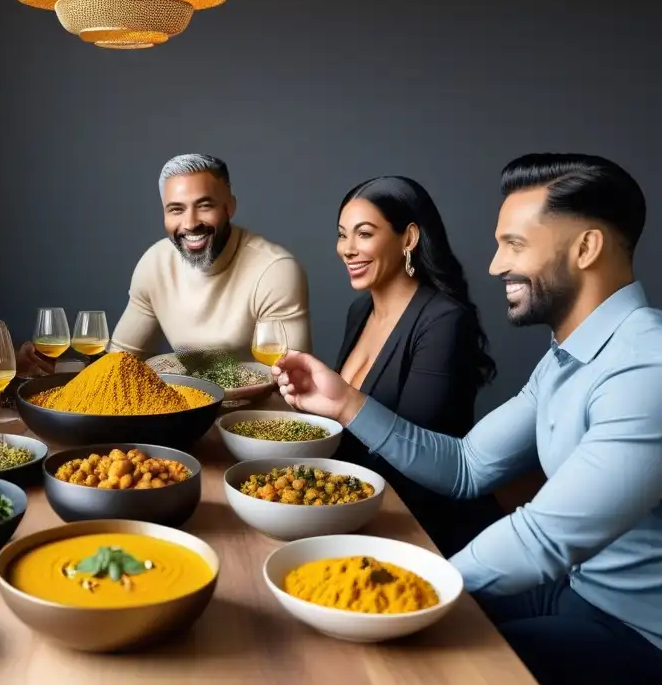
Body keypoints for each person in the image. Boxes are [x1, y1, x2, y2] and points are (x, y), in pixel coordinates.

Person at [274, 154, 662, 683]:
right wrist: (344, 402)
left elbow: (542, 540)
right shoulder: (564, 358)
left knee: (411, 664)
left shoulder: (647, 366)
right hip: (571, 593)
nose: (495, 265)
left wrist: (403, 586)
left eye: (515, 245)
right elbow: (467, 466)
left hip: (636, 632)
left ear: (586, 248)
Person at [333, 176, 501, 555]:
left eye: (364, 234)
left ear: (408, 238)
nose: (347, 249)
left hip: (424, 528)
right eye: (343, 235)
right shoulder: (359, 311)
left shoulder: (444, 320)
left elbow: (415, 455)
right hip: (360, 504)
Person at [108, 153, 311, 359]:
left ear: (229, 207)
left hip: (262, 392)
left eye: (204, 206)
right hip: (182, 391)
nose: (190, 223)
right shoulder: (155, 264)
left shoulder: (274, 270)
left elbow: (293, 376)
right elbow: (118, 361)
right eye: (176, 209)